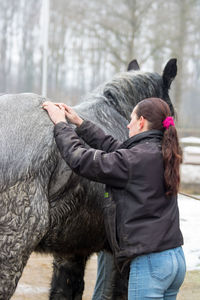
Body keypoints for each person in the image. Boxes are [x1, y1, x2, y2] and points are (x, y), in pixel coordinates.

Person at [42, 97, 186, 300]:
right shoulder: (162, 152)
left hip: (150, 264)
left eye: (131, 118)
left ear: (141, 121)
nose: (128, 124)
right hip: (174, 260)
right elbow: (114, 147)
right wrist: (80, 123)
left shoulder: (134, 160)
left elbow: (81, 159)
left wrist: (60, 125)